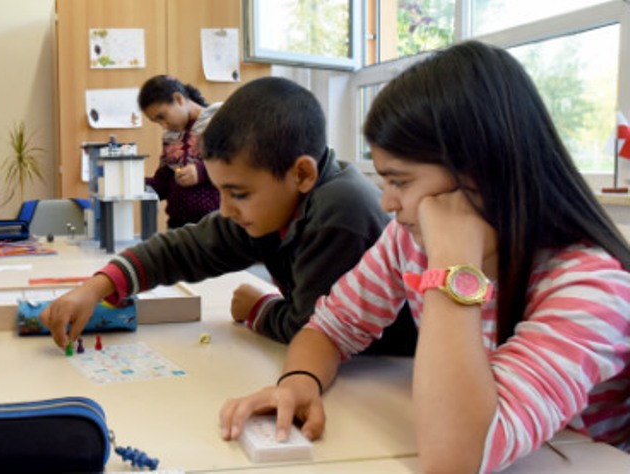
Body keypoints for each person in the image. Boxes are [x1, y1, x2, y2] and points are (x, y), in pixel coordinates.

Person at [218, 41, 630, 474]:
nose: (387, 202)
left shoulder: (591, 287)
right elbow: (330, 328)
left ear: (480, 174)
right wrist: (299, 381)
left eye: (400, 181)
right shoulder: (409, 241)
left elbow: (454, 459)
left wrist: (452, 264)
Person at [41, 76, 415, 350]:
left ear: (301, 174)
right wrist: (98, 287)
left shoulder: (341, 210)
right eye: (220, 190)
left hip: (386, 374)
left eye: (238, 193)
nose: (224, 208)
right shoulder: (273, 204)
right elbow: (187, 248)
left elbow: (316, 331)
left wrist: (259, 308)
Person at [138, 75, 222, 229]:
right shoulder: (170, 137)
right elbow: (164, 181)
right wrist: (133, 183)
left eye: (162, 117)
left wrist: (202, 172)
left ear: (178, 99)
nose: (163, 125)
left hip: (216, 226)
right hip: (178, 227)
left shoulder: (220, 122)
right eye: (157, 121)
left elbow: (239, 164)